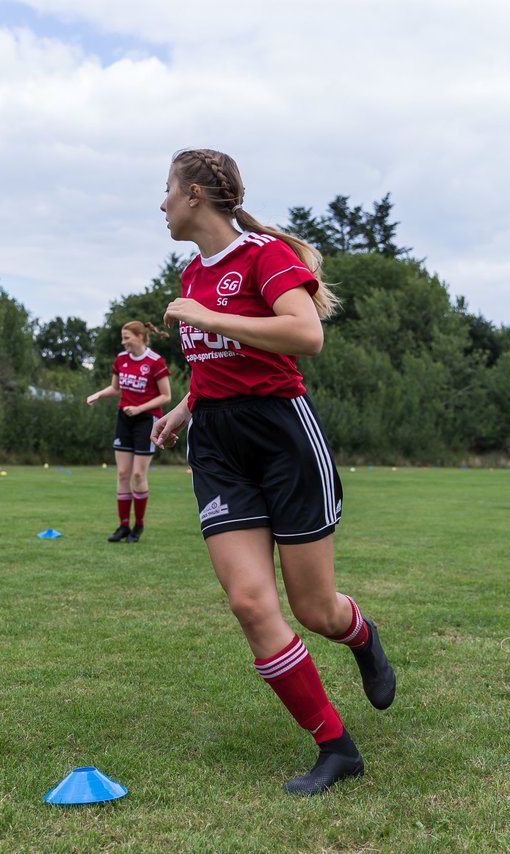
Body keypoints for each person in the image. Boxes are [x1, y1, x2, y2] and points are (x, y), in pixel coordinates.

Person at [150, 148, 395, 796]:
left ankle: (363, 637)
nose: (163, 203)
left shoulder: (263, 256)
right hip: (218, 446)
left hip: (283, 437)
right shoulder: (190, 272)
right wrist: (182, 408)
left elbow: (304, 333)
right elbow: (215, 365)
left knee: (315, 609)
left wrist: (204, 315)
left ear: (196, 194)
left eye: (168, 189)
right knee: (250, 602)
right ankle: (335, 746)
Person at [86, 321, 173, 543]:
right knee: (123, 473)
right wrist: (98, 394)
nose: (123, 342)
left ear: (140, 337)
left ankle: (139, 525)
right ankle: (123, 526)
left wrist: (140, 408)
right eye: (122, 338)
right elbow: (115, 388)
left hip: (147, 419)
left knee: (137, 474)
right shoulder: (121, 359)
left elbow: (166, 396)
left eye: (127, 337)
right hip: (124, 418)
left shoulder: (155, 361)